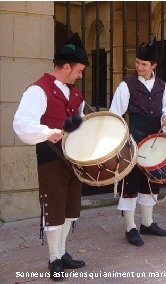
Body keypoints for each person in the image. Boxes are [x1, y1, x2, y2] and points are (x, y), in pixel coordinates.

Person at [13, 33, 88, 281]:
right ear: (66, 67)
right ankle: (54, 258)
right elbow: (21, 124)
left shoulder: (75, 94)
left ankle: (63, 251)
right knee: (54, 210)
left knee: (70, 209)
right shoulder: (38, 90)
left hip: (74, 160)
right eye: (78, 70)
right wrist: (47, 132)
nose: (80, 75)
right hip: (51, 160)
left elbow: (77, 120)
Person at [109, 42, 166, 246]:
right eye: (137, 63)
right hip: (134, 142)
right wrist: (119, 142)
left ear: (153, 65)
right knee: (131, 184)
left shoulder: (162, 87)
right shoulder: (126, 86)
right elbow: (115, 115)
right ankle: (130, 227)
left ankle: (147, 223)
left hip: (155, 142)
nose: (139, 67)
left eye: (144, 64)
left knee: (151, 182)